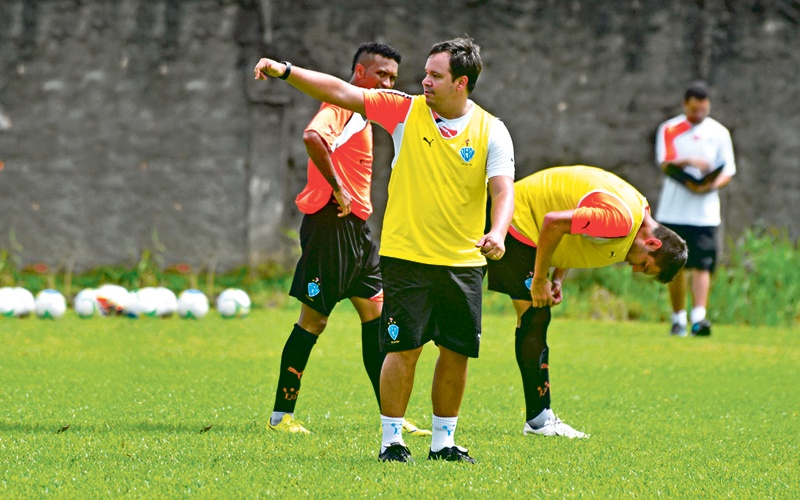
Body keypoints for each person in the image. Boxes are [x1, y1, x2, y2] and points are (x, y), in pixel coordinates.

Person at [255, 37, 515, 463]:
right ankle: (391, 441)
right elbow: (341, 92)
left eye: (435, 75)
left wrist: (499, 232)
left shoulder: (493, 130)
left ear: (461, 83)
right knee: (403, 348)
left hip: (464, 261)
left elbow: (502, 190)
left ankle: (443, 442)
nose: (424, 81)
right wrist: (285, 70)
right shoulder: (405, 110)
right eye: (426, 73)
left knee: (456, 351)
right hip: (407, 256)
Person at [265, 42, 429, 438]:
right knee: (314, 320)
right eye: (380, 75)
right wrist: (338, 186)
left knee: (377, 316)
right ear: (359, 74)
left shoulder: (366, 113)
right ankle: (281, 415)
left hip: (356, 231)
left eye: (392, 77)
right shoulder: (341, 106)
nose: (387, 82)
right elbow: (312, 137)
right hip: (329, 225)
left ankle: (391, 415)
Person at [486, 165, 688, 438]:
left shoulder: (640, 212)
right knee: (535, 314)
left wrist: (557, 277)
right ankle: (539, 421)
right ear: (653, 244)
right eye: (644, 266)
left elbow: (573, 231)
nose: (635, 270)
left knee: (535, 314)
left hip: (525, 219)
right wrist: (538, 280)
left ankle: (539, 419)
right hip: (517, 220)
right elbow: (553, 222)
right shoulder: (620, 221)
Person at [655, 81, 736, 337]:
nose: (698, 115)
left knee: (702, 265)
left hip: (705, 213)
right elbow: (665, 161)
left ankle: (698, 318)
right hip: (673, 212)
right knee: (675, 265)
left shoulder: (720, 132)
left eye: (702, 110)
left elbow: (728, 170)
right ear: (685, 105)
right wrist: (690, 161)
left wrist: (709, 186)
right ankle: (678, 318)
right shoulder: (669, 128)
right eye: (693, 110)